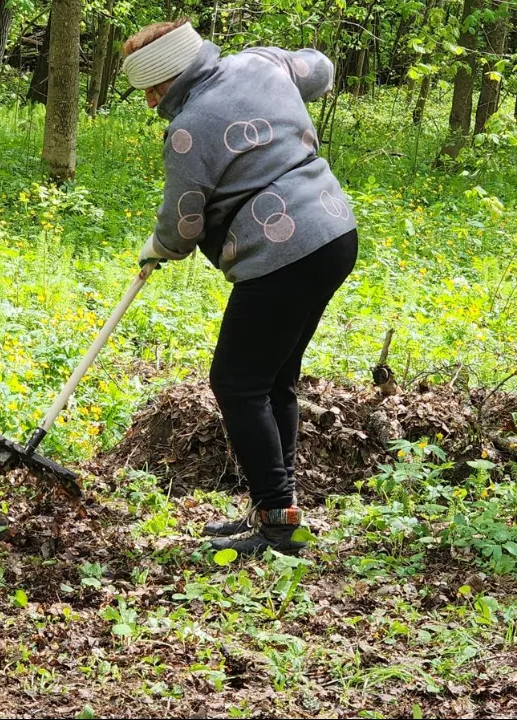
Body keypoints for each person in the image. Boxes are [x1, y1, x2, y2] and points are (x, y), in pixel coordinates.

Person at [122, 19, 358, 555]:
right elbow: (319, 70)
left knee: (237, 382)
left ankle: (277, 522)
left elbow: (183, 223)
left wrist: (158, 249)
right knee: (274, 379)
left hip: (284, 253)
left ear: (167, 79)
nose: (151, 101)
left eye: (151, 90)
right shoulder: (260, 63)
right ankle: (278, 508)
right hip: (334, 231)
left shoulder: (188, 129)